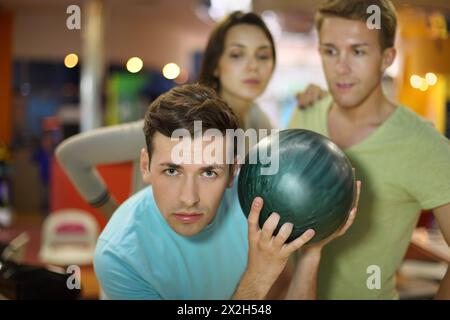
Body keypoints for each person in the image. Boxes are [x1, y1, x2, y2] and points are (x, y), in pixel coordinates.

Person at [93, 83, 359, 299]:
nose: (189, 198)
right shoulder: (119, 256)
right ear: (145, 166)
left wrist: (311, 251)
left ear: (234, 172)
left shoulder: (260, 202)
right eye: (172, 171)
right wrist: (258, 276)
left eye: (209, 172)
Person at [289, 0, 450, 300]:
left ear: (387, 57)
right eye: (330, 51)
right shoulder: (305, 115)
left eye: (359, 51)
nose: (341, 68)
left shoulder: (421, 144)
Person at [55, 12, 277, 218]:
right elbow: (72, 154)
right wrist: (117, 217)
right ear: (216, 64)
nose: (253, 66)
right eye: (237, 54)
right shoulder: (186, 119)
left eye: (263, 56)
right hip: (155, 254)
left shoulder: (258, 122)